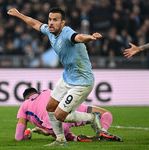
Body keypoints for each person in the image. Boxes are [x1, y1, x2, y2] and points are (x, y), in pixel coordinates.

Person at [7, 7, 102, 146]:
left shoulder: (66, 32)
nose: (51, 23)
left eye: (55, 20)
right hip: (67, 77)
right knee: (50, 107)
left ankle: (92, 117)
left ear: (63, 23)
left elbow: (78, 37)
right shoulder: (50, 31)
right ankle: (60, 140)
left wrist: (89, 37)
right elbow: (35, 23)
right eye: (50, 19)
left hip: (82, 82)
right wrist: (19, 15)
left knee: (59, 115)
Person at [15, 88, 123, 143]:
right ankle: (103, 131)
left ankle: (75, 139)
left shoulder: (24, 106)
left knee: (59, 129)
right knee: (105, 114)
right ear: (37, 92)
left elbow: (18, 137)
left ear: (26, 98)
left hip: (58, 125)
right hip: (70, 108)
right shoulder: (47, 91)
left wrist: (27, 135)